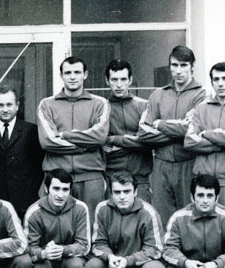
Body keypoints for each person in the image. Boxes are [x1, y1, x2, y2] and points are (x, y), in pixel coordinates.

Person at [138, 45, 207, 226]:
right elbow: (143, 131)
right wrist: (177, 133)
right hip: (162, 164)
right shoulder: (158, 95)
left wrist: (160, 124)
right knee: (162, 218)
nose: (178, 71)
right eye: (174, 65)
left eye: (184, 65)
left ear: (192, 66)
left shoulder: (201, 94)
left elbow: (192, 128)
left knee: (190, 217)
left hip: (189, 163)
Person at [85, 171, 165, 268]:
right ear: (111, 193)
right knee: (92, 267)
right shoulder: (102, 209)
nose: (122, 197)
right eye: (117, 192)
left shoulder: (148, 212)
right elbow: (98, 243)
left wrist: (128, 261)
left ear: (135, 192)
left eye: (127, 191)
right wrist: (110, 257)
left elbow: (154, 249)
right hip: (113, 267)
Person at [37, 56, 109, 222]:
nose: (72, 77)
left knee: (92, 226)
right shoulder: (46, 105)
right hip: (56, 177)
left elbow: (99, 137)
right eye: (67, 73)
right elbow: (47, 141)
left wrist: (65, 135)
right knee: (54, 226)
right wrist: (84, 145)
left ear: (85, 75)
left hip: (90, 177)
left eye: (77, 72)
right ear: (61, 76)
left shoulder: (100, 103)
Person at [184, 62, 225, 221]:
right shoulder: (201, 108)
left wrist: (206, 134)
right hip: (204, 183)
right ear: (212, 82)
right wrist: (224, 144)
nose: (220, 83)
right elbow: (189, 141)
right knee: (203, 229)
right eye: (216, 79)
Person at [24, 169, 90, 268]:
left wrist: (64, 250)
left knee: (76, 266)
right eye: (56, 188)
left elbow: (84, 245)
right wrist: (44, 253)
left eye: (65, 189)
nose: (60, 195)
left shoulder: (80, 208)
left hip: (70, 258)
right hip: (46, 259)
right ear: (46, 189)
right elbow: (29, 247)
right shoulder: (34, 211)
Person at [0, 85, 44, 218]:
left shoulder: (31, 131)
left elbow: (39, 165)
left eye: (9, 104)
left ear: (17, 106)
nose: (5, 109)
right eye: (0, 105)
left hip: (25, 201)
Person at [102, 60, 152, 202]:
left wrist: (115, 141)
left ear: (130, 80)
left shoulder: (144, 106)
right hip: (112, 180)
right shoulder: (102, 108)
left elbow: (148, 142)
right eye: (114, 80)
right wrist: (134, 142)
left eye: (123, 79)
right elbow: (101, 143)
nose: (119, 85)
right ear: (107, 81)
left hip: (140, 180)